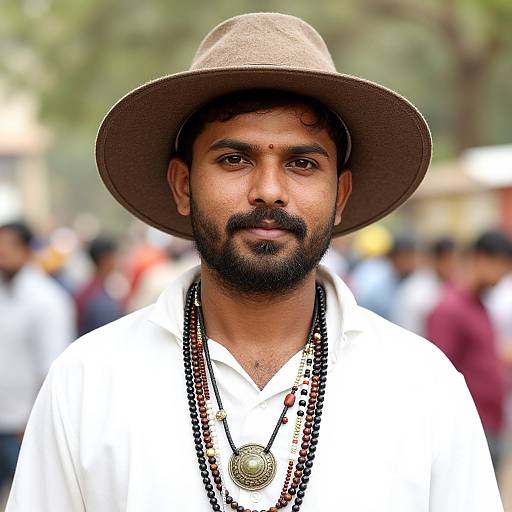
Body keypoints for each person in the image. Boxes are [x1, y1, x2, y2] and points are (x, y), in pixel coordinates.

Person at [6, 13, 502, 512]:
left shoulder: (423, 387)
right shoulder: (88, 382)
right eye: (234, 160)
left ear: (340, 195)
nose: (269, 190)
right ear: (183, 186)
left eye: (302, 164)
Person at [427, 230, 512, 473]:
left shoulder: (479, 304)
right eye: (502, 266)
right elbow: (439, 374)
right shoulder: (450, 309)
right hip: (471, 426)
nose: (503, 276)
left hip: (491, 420)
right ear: (480, 258)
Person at [0, 222, 74, 494]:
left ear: (27, 250)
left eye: (9, 246)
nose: (2, 252)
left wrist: (34, 423)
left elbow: (53, 366)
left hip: (23, 426)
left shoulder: (47, 299)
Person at [391, 237, 458, 337]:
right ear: (436, 259)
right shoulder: (416, 291)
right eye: (449, 260)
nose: (454, 266)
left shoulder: (453, 285)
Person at [75, 236, 124, 336]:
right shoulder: (97, 297)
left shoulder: (86, 289)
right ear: (105, 259)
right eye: (114, 257)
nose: (117, 262)